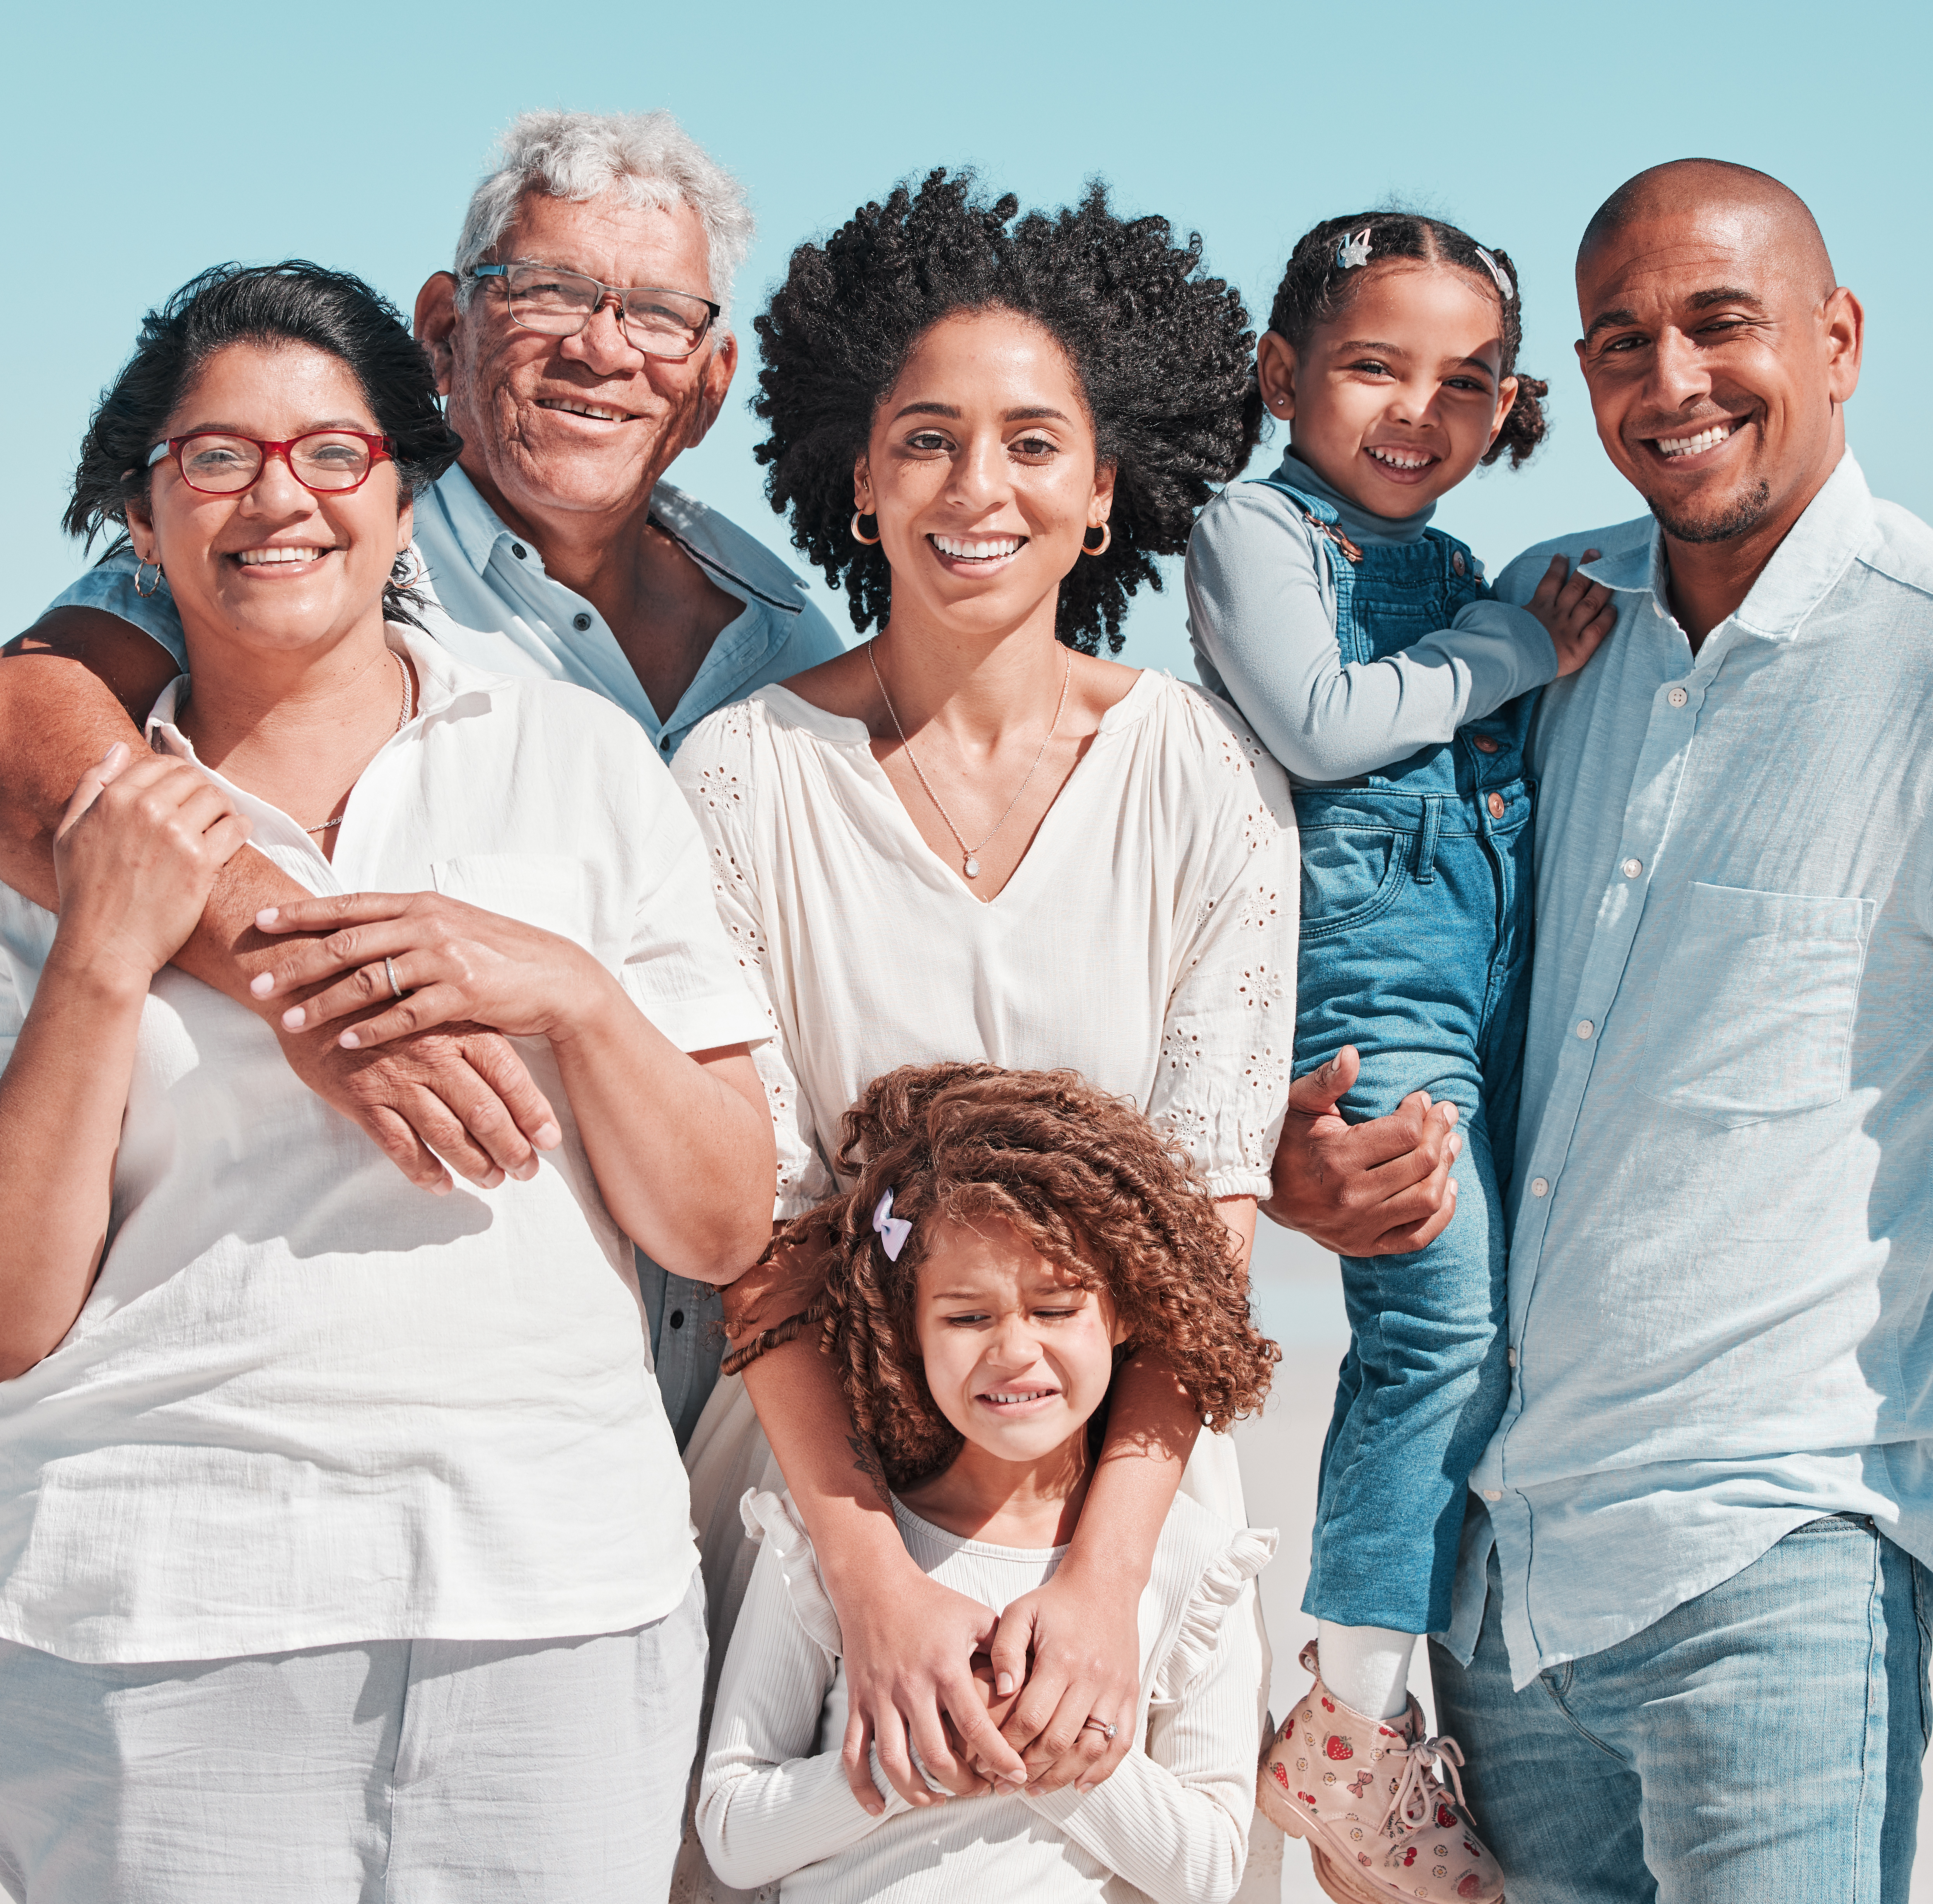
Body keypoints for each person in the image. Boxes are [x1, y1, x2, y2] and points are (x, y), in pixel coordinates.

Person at [1279, 159, 1933, 1900]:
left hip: (1780, 1579)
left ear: (1839, 339)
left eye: (1720, 325)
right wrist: (1306, 1156)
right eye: (1619, 342)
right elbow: (1417, 958)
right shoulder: (1540, 619)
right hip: (1503, 1580)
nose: (1671, 383)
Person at [0, 261, 777, 1901]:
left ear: (408, 495)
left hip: (554, 1596)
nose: (274, 496)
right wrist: (109, 942)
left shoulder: (575, 767)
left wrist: (566, 993)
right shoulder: (43, 827)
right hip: (149, 1603)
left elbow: (719, 1218)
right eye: (212, 457)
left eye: (332, 453)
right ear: (137, 525)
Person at [0, 109, 840, 1448]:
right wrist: (322, 994)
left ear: (709, 376)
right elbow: (1, 728)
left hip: (720, 1407)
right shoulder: (303, 533)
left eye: (656, 315)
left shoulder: (780, 634)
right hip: (392, 1404)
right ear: (446, 327)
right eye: (549, 292)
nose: (601, 347)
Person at [674, 169, 1294, 1898]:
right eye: (926, 440)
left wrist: (1101, 1585)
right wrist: (868, 1583)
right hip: (814, 1527)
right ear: (857, 480)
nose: (978, 487)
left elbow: (1206, 1236)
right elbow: (762, 1235)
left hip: (1134, 1522)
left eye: (1034, 442)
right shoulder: (738, 782)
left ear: (1106, 491)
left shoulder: (1209, 788)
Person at [1183, 210, 1613, 1904]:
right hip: (1364, 991)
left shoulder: (1460, 568)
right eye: (1375, 366)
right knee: (1432, 1323)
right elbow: (1320, 720)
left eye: (1468, 380)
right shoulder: (1254, 526)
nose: (1419, 411)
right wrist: (1512, 649)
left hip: (1489, 973)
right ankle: (1349, 1719)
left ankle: (1419, 1688)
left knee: (1499, 1327)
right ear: (1282, 373)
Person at [695, 1064, 1280, 1904]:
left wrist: (1037, 1741)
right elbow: (731, 1830)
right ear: (908, 1329)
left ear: (1122, 1312)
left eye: (1054, 1308)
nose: (1013, 1350)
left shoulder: (1194, 1561)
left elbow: (1212, 1866)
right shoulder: (830, 1547)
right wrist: (916, 1760)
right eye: (968, 1316)